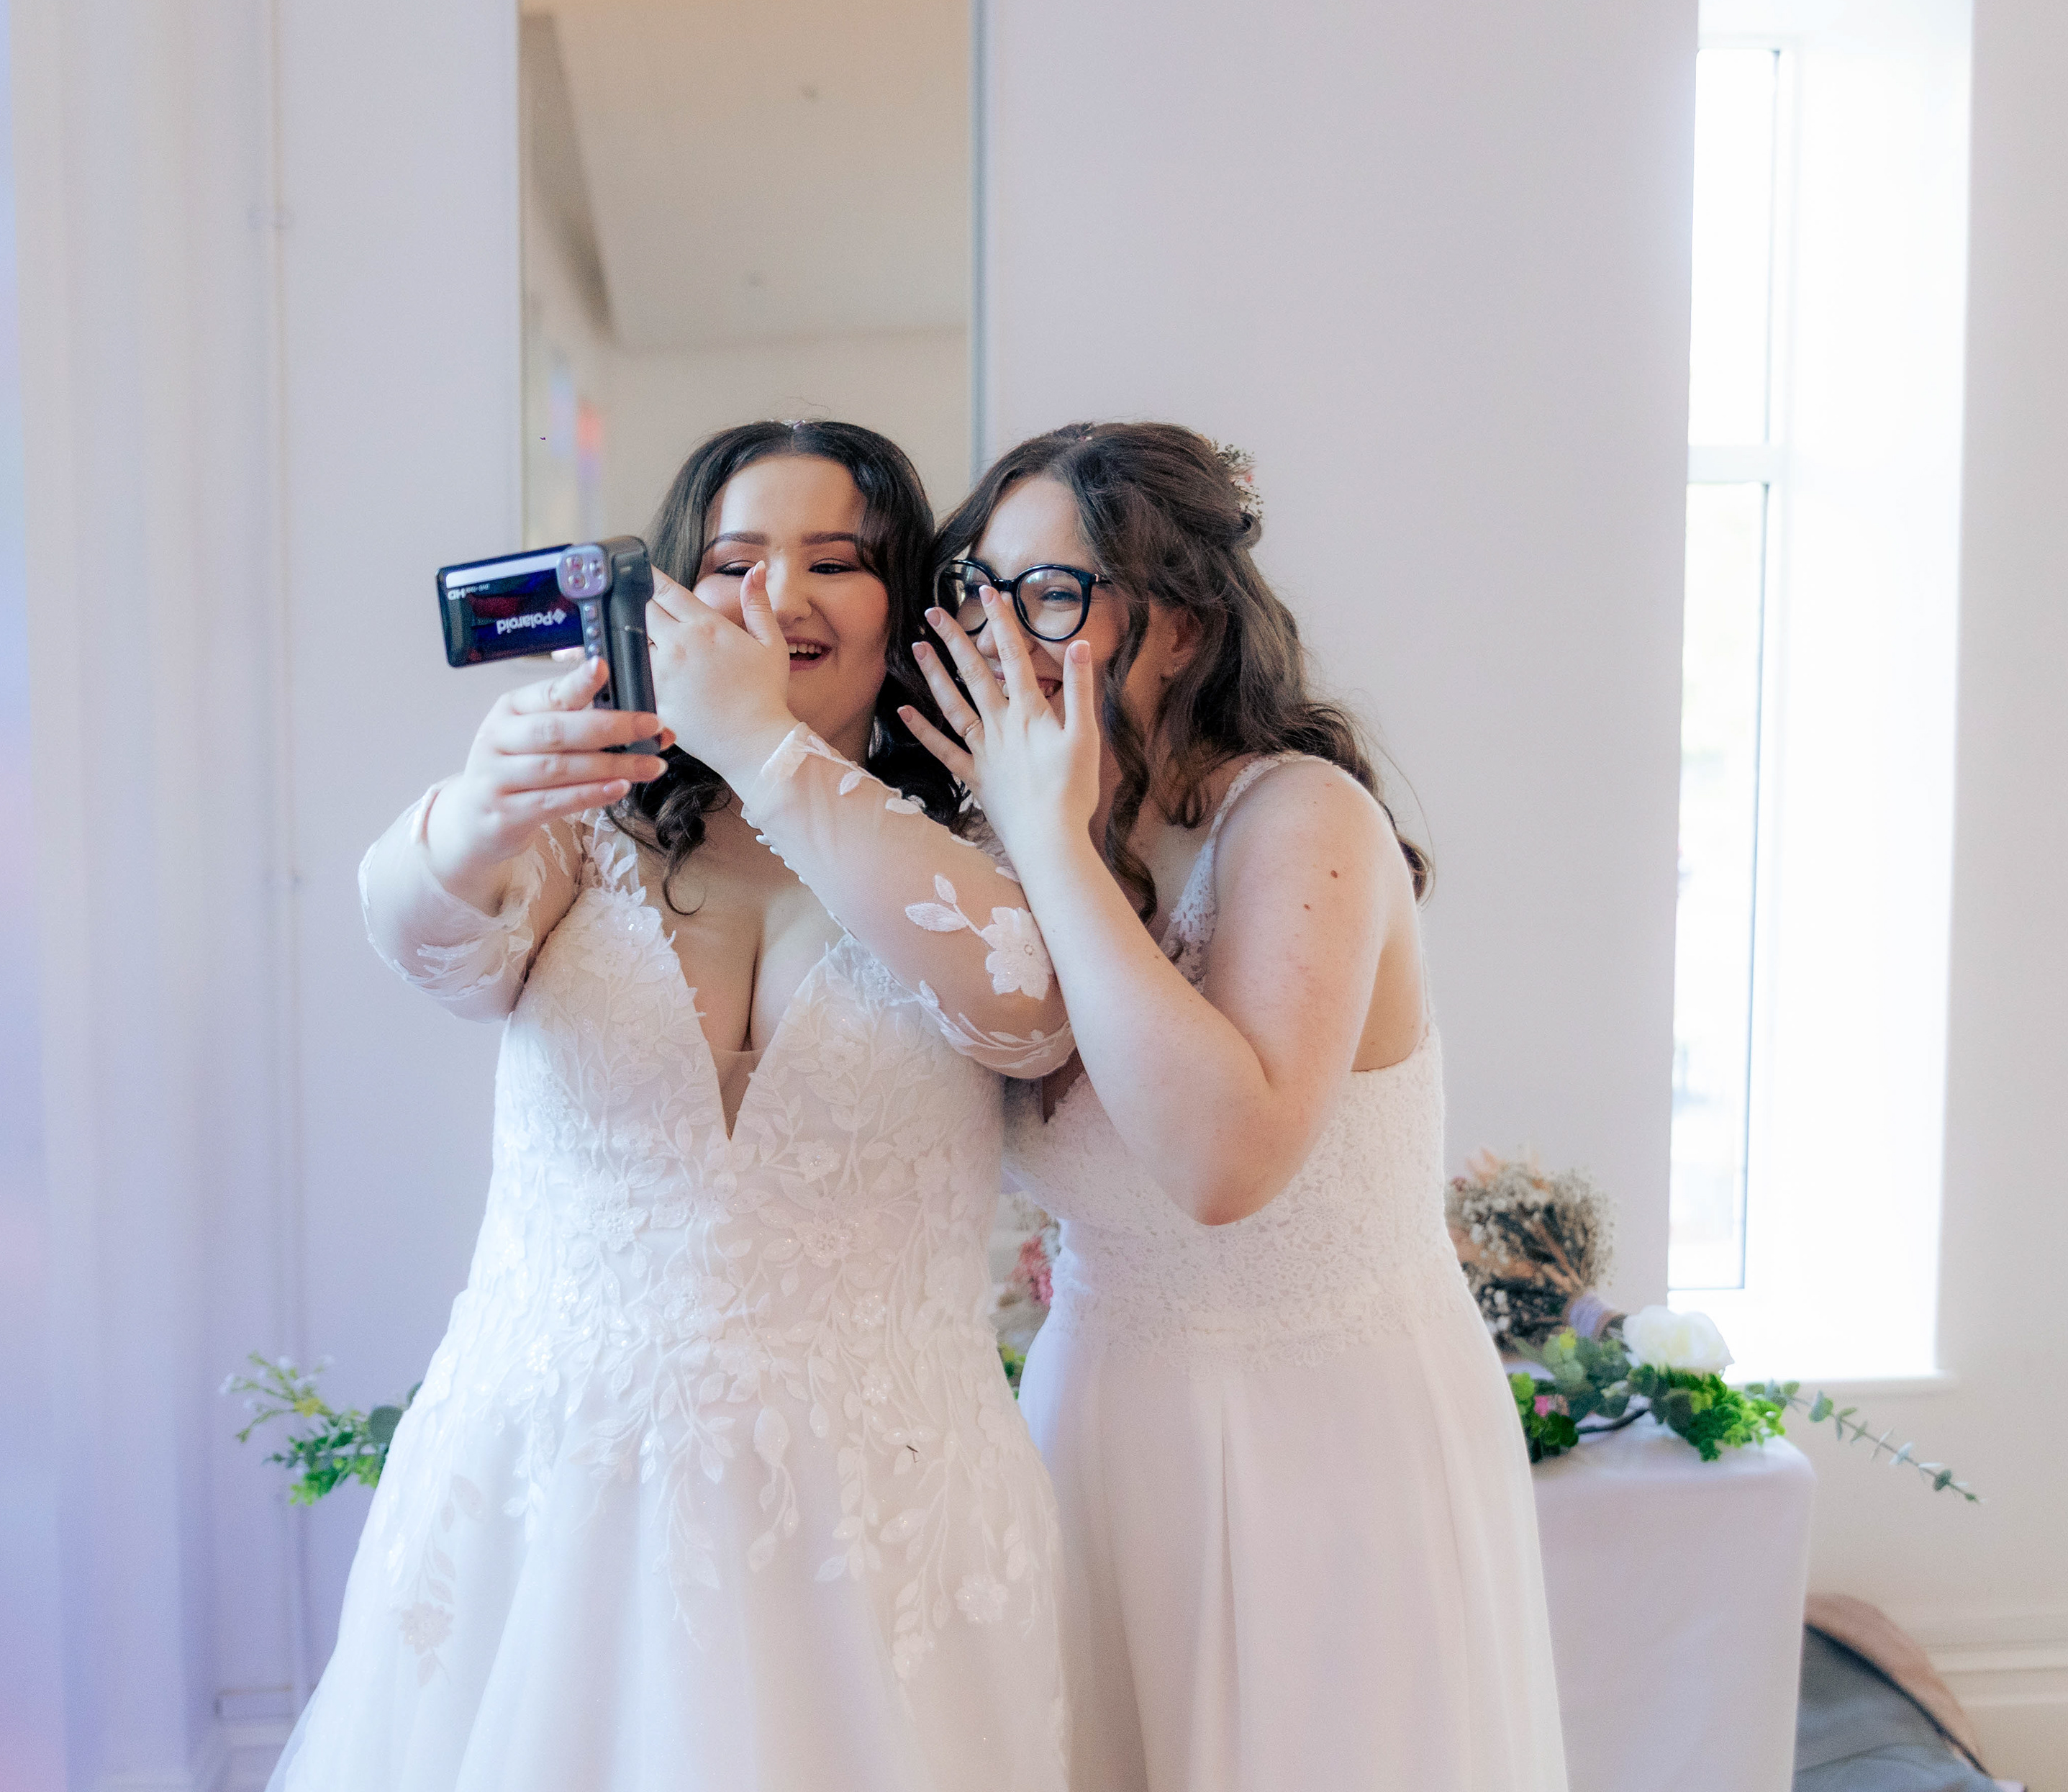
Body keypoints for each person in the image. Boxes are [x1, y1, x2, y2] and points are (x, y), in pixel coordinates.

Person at [272, 422, 1072, 1792]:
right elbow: (426, 945)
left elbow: (1025, 1009)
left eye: (838, 561)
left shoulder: (983, 841)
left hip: (875, 1512)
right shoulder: (589, 820)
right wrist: (478, 807)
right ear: (676, 595)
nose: (782, 595)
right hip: (552, 1487)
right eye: (737, 558)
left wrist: (760, 742)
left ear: (904, 603)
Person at [900, 422, 1566, 1791]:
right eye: (979, 589)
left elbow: (1224, 1162)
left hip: (1330, 1440)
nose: (1003, 634)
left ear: (1186, 628)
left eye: (1052, 595)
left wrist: (1043, 839)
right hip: (1101, 1422)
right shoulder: (1022, 837)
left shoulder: (1302, 819)